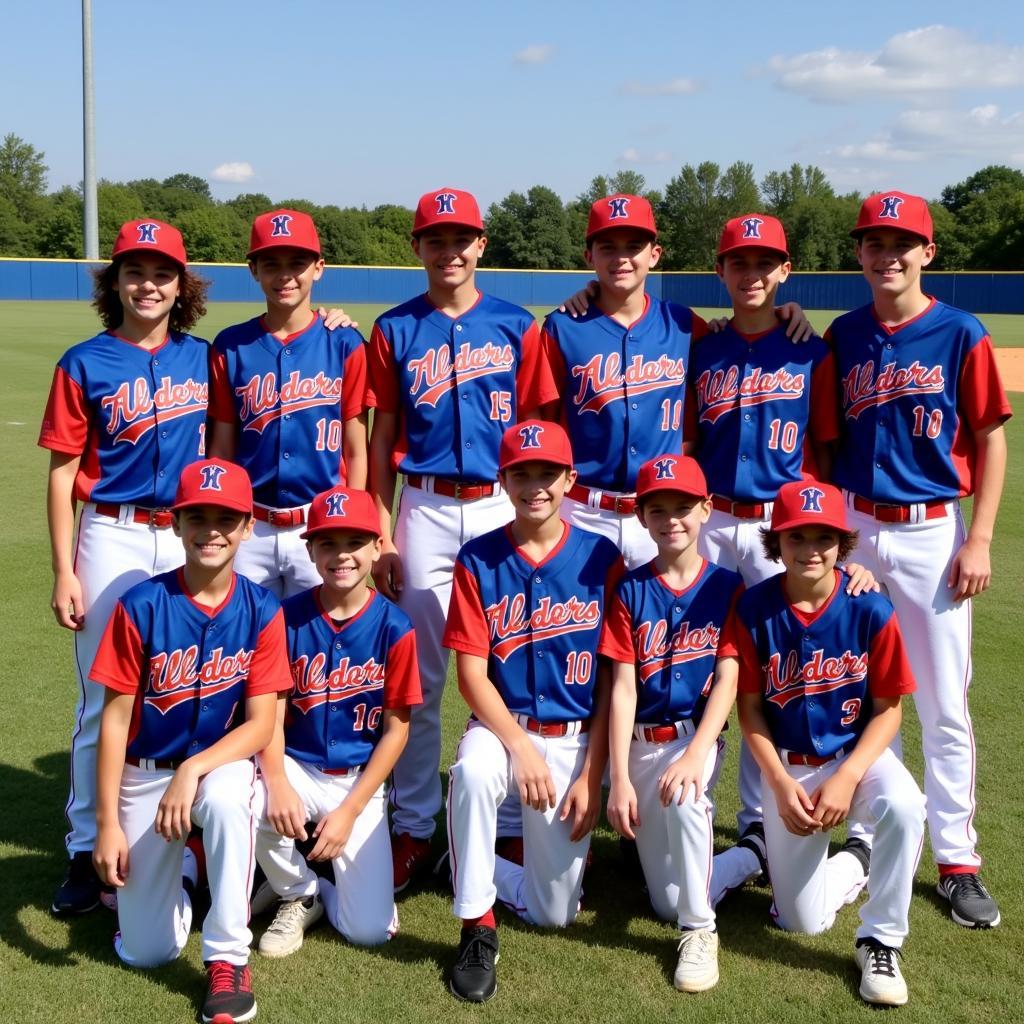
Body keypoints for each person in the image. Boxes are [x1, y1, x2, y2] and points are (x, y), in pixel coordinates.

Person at [828, 191, 1011, 928]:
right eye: (875, 242)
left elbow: (991, 437)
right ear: (861, 254)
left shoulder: (960, 332)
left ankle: (957, 856)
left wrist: (981, 537)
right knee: (865, 692)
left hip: (934, 530)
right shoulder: (841, 336)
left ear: (927, 252)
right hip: (856, 526)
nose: (888, 254)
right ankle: (870, 835)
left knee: (941, 703)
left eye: (902, 242)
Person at [367, 188, 551, 889]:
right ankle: (414, 825)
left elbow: (537, 429)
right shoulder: (393, 328)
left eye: (461, 238)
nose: (449, 251)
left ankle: (504, 827)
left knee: (506, 667)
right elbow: (383, 433)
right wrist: (382, 525)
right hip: (426, 508)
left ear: (481, 246)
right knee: (418, 675)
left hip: (504, 506)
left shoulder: (516, 326)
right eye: (435, 239)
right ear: (417, 248)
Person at [39, 218, 210, 914]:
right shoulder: (84, 362)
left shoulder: (206, 359)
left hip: (192, 539)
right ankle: (86, 849)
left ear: (182, 286)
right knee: (102, 700)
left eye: (162, 273)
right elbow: (61, 474)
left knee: (194, 687)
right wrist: (63, 569)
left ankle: (195, 831)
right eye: (135, 272)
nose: (148, 284)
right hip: (110, 533)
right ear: (115, 283)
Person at [91, 458, 293, 1024]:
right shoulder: (141, 606)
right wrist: (107, 824)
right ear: (175, 525)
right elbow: (113, 721)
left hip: (216, 766)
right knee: (146, 951)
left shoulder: (261, 609)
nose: (211, 530)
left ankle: (228, 959)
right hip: (145, 768)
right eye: (197, 517)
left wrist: (192, 770)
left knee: (229, 798)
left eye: (226, 519)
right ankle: (183, 873)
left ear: (248, 527)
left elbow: (260, 726)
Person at [442, 420, 623, 1002]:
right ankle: (477, 924)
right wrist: (518, 747)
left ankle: (467, 856)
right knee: (471, 772)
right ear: (503, 479)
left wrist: (593, 777)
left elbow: (611, 683)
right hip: (501, 728)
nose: (535, 485)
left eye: (547, 473)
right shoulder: (479, 558)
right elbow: (471, 675)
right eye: (522, 473)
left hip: (573, 737)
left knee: (555, 914)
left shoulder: (601, 557)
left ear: (570, 478)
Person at [684, 213, 840, 883]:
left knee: (771, 674)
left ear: (785, 271)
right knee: (698, 665)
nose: (751, 274)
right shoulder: (703, 346)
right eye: (737, 263)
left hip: (784, 531)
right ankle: (687, 803)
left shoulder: (813, 350)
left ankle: (754, 818)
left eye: (764, 263)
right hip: (712, 522)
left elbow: (827, 451)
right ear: (720, 271)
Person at [540, 194, 811, 567]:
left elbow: (743, 333)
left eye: (634, 245)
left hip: (665, 513)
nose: (621, 257)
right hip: (583, 509)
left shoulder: (687, 327)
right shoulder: (562, 327)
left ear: (654, 254)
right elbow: (543, 423)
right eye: (608, 247)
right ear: (589, 257)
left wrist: (782, 315)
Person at [733, 480, 925, 1006]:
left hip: (852, 759)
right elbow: (749, 709)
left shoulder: (870, 608)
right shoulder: (754, 609)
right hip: (789, 769)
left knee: (906, 805)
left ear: (843, 543)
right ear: (777, 542)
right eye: (797, 537)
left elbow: (889, 711)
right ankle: (857, 861)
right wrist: (775, 783)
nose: (810, 549)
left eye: (824, 537)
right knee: (801, 923)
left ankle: (881, 939)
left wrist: (847, 776)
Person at [254, 485, 421, 956]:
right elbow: (270, 713)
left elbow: (398, 729)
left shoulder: (396, 628)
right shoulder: (285, 619)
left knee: (367, 931)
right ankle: (298, 890)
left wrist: (348, 812)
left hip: (356, 782)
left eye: (354, 542)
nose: (341, 555)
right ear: (309, 549)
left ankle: (319, 887)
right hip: (297, 768)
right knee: (249, 794)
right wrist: (277, 780)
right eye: (328, 543)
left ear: (375, 548)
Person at [600, 454, 743, 993]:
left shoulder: (726, 586)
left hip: (692, 736)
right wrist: (617, 778)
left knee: (686, 797)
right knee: (665, 899)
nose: (671, 519)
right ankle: (749, 856)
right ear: (641, 517)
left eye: (683, 507)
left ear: (706, 509)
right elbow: (622, 687)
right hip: (639, 746)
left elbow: (727, 679)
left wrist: (695, 753)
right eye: (657, 509)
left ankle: (700, 933)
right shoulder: (632, 590)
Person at [208, 208, 368, 598]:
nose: (285, 276)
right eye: (271, 264)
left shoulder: (345, 343)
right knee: (244, 642)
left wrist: (351, 522)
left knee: (316, 645)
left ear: (318, 268)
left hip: (321, 524)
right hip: (251, 526)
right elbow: (223, 445)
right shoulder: (231, 345)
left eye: (297, 263)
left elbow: (356, 446)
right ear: (254, 270)